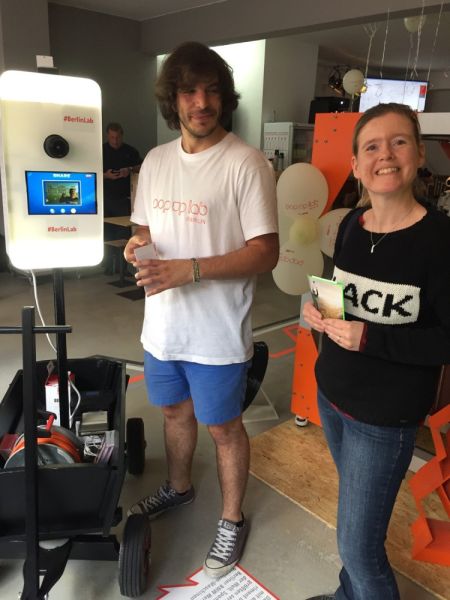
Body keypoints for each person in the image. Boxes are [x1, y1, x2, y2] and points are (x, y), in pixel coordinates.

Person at [124, 41, 279, 579]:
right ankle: (179, 486)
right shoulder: (155, 161)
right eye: (189, 91)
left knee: (224, 429)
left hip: (217, 332)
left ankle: (232, 519)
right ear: (173, 99)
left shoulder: (246, 163)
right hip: (162, 328)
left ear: (224, 98)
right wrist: (137, 244)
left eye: (212, 91)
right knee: (173, 413)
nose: (202, 102)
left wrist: (189, 269)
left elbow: (266, 252)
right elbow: (144, 227)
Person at [302, 102, 450, 600]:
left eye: (399, 142)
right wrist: (319, 311)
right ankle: (349, 594)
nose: (385, 154)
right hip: (332, 397)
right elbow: (343, 297)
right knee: (355, 524)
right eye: (371, 146)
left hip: (383, 419)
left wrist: (370, 337)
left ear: (420, 154)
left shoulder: (440, 240)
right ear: (356, 164)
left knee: (358, 547)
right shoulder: (351, 224)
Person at [103, 122, 142, 273]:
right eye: (112, 137)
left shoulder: (130, 151)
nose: (115, 140)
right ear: (108, 136)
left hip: (124, 198)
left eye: (118, 137)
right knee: (107, 233)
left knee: (123, 233)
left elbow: (142, 166)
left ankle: (122, 268)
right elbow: (91, 172)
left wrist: (129, 169)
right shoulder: (101, 151)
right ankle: (107, 267)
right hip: (105, 198)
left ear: (122, 135)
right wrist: (106, 175)